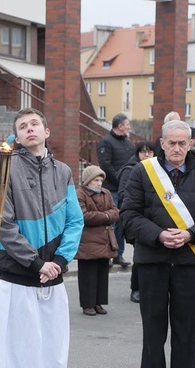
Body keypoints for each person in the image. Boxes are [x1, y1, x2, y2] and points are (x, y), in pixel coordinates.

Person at [0, 107, 85, 368]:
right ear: (17, 134)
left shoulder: (64, 171)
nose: (29, 130)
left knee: (52, 353)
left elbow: (75, 221)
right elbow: (3, 225)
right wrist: (34, 263)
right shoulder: (5, 168)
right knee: (12, 352)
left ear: (46, 131)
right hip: (18, 277)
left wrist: (59, 259)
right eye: (22, 126)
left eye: (34, 124)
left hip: (53, 277)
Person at [121, 119, 195, 368]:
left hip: (187, 262)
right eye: (171, 143)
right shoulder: (143, 171)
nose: (177, 148)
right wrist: (159, 234)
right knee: (153, 330)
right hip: (152, 261)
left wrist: (191, 234)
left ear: (192, 143)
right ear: (161, 144)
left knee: (184, 330)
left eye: (183, 142)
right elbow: (129, 214)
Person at [75, 164, 120, 316]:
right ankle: (87, 304)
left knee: (102, 273)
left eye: (101, 180)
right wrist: (106, 216)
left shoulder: (106, 193)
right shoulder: (80, 194)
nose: (99, 183)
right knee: (88, 273)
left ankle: (98, 303)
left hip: (105, 239)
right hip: (88, 240)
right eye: (96, 180)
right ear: (88, 181)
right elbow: (84, 216)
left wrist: (106, 215)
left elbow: (116, 212)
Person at [117, 141, 156, 303]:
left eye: (150, 152)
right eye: (143, 152)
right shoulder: (131, 169)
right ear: (137, 154)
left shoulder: (157, 169)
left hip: (154, 219)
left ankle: (149, 287)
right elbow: (122, 194)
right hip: (137, 219)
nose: (147, 155)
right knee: (140, 256)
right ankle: (136, 288)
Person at [96, 113, 135, 268]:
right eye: (127, 124)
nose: (129, 127)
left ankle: (119, 255)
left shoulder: (127, 143)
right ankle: (109, 255)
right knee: (111, 223)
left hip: (125, 189)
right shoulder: (105, 142)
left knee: (122, 223)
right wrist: (121, 181)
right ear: (120, 126)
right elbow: (105, 165)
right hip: (112, 189)